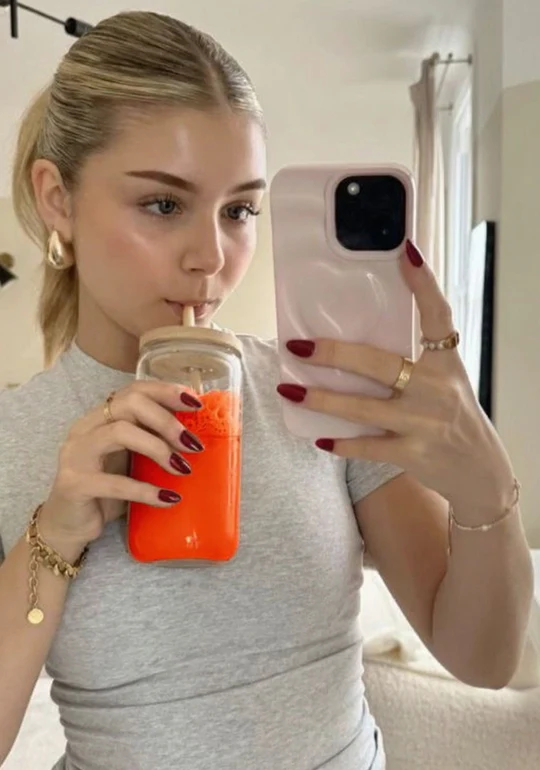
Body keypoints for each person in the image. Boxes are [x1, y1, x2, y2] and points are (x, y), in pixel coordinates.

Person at [0, 11, 533, 770]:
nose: (211, 257)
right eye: (163, 205)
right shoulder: (12, 437)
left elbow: (483, 660)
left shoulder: (321, 392)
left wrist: (487, 491)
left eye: (239, 211)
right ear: (57, 198)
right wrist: (52, 536)